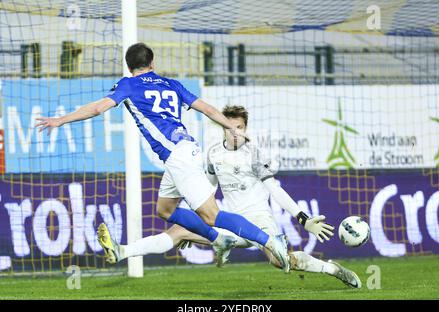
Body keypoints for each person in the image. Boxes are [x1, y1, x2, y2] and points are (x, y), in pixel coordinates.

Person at [35, 43, 291, 272]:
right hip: (181, 153)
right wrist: (231, 126)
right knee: (165, 210)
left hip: (179, 156)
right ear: (152, 63)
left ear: (129, 66)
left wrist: (61, 120)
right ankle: (218, 239)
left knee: (211, 215)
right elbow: (208, 109)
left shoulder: (128, 84)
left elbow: (98, 108)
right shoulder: (171, 84)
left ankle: (270, 240)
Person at [97, 105, 361, 288]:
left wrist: (302, 219)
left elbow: (275, 189)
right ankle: (122, 251)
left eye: (240, 128)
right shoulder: (213, 154)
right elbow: (206, 190)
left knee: (281, 263)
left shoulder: (255, 154)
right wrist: (194, 222)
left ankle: (333, 269)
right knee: (178, 230)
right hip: (230, 222)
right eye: (230, 127)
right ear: (222, 128)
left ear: (246, 129)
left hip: (259, 221)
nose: (235, 133)